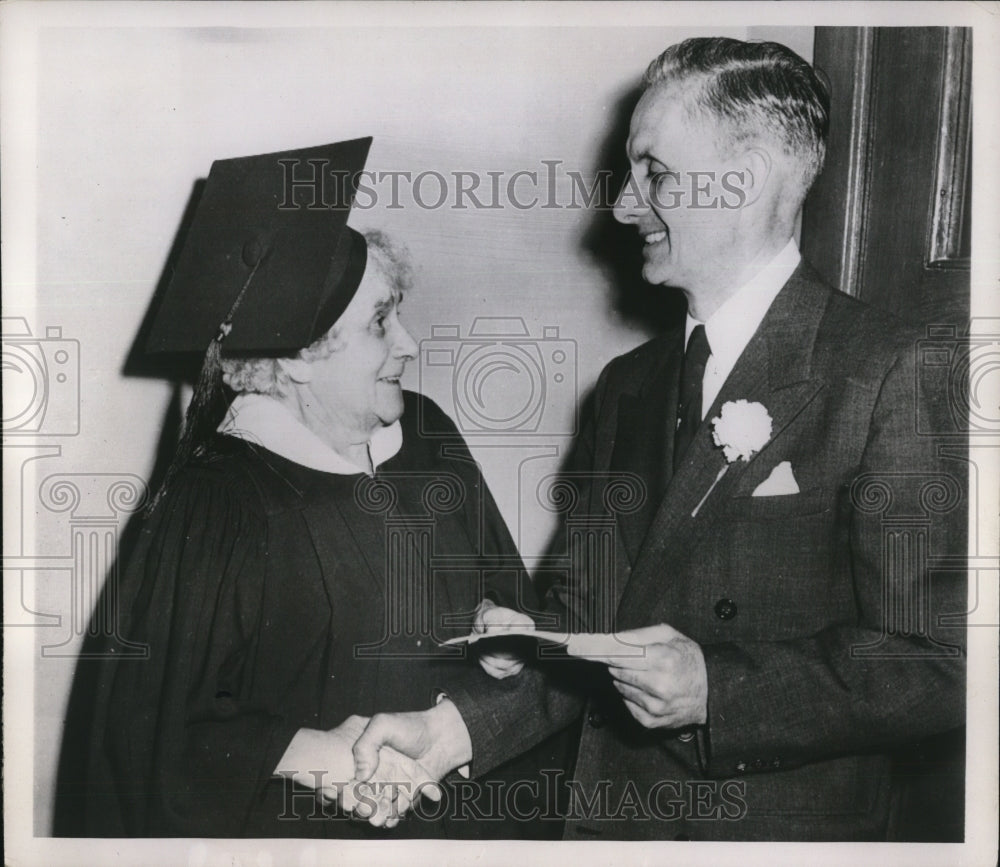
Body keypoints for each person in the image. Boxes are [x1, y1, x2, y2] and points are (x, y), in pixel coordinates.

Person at [346, 38, 967, 841]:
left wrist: (719, 690)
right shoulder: (628, 387)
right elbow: (591, 625)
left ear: (744, 181)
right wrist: (447, 734)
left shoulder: (887, 370)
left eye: (656, 173)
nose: (625, 205)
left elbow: (938, 657)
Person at [71, 138, 540, 837]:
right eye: (382, 321)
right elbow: (149, 736)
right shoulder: (216, 503)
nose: (409, 343)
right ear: (294, 360)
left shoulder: (429, 439)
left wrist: (507, 646)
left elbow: (514, 609)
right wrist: (308, 752)